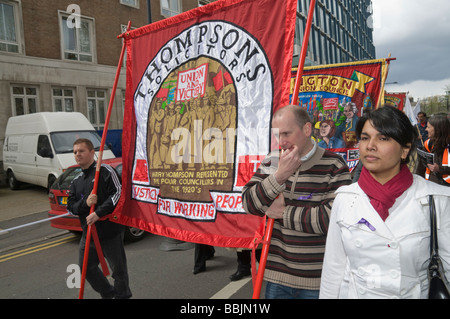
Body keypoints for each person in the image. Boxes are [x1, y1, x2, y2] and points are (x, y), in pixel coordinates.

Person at [319, 106, 450, 299]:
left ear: (405, 149)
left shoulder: (436, 199)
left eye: (383, 138)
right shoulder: (346, 198)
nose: (370, 145)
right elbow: (333, 270)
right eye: (365, 138)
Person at [242, 105, 352, 299]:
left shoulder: (334, 164)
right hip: (278, 276)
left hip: (318, 279)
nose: (281, 142)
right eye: (277, 135)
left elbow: (332, 219)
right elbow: (249, 203)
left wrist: (283, 213)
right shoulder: (272, 161)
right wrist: (279, 176)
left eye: (286, 133)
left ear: (307, 129)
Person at [67, 138, 132, 299]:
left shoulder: (105, 171)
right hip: (88, 234)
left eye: (81, 151)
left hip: (109, 231)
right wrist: (86, 203)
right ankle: (108, 293)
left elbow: (118, 194)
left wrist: (98, 213)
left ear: (92, 152)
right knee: (86, 268)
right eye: (75, 152)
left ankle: (122, 296)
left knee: (118, 271)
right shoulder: (76, 181)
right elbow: (71, 207)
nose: (77, 154)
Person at [421, 114, 450, 186]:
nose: (426, 129)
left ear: (438, 129)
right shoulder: (428, 143)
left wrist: (439, 169)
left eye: (428, 127)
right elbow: (421, 166)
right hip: (431, 184)